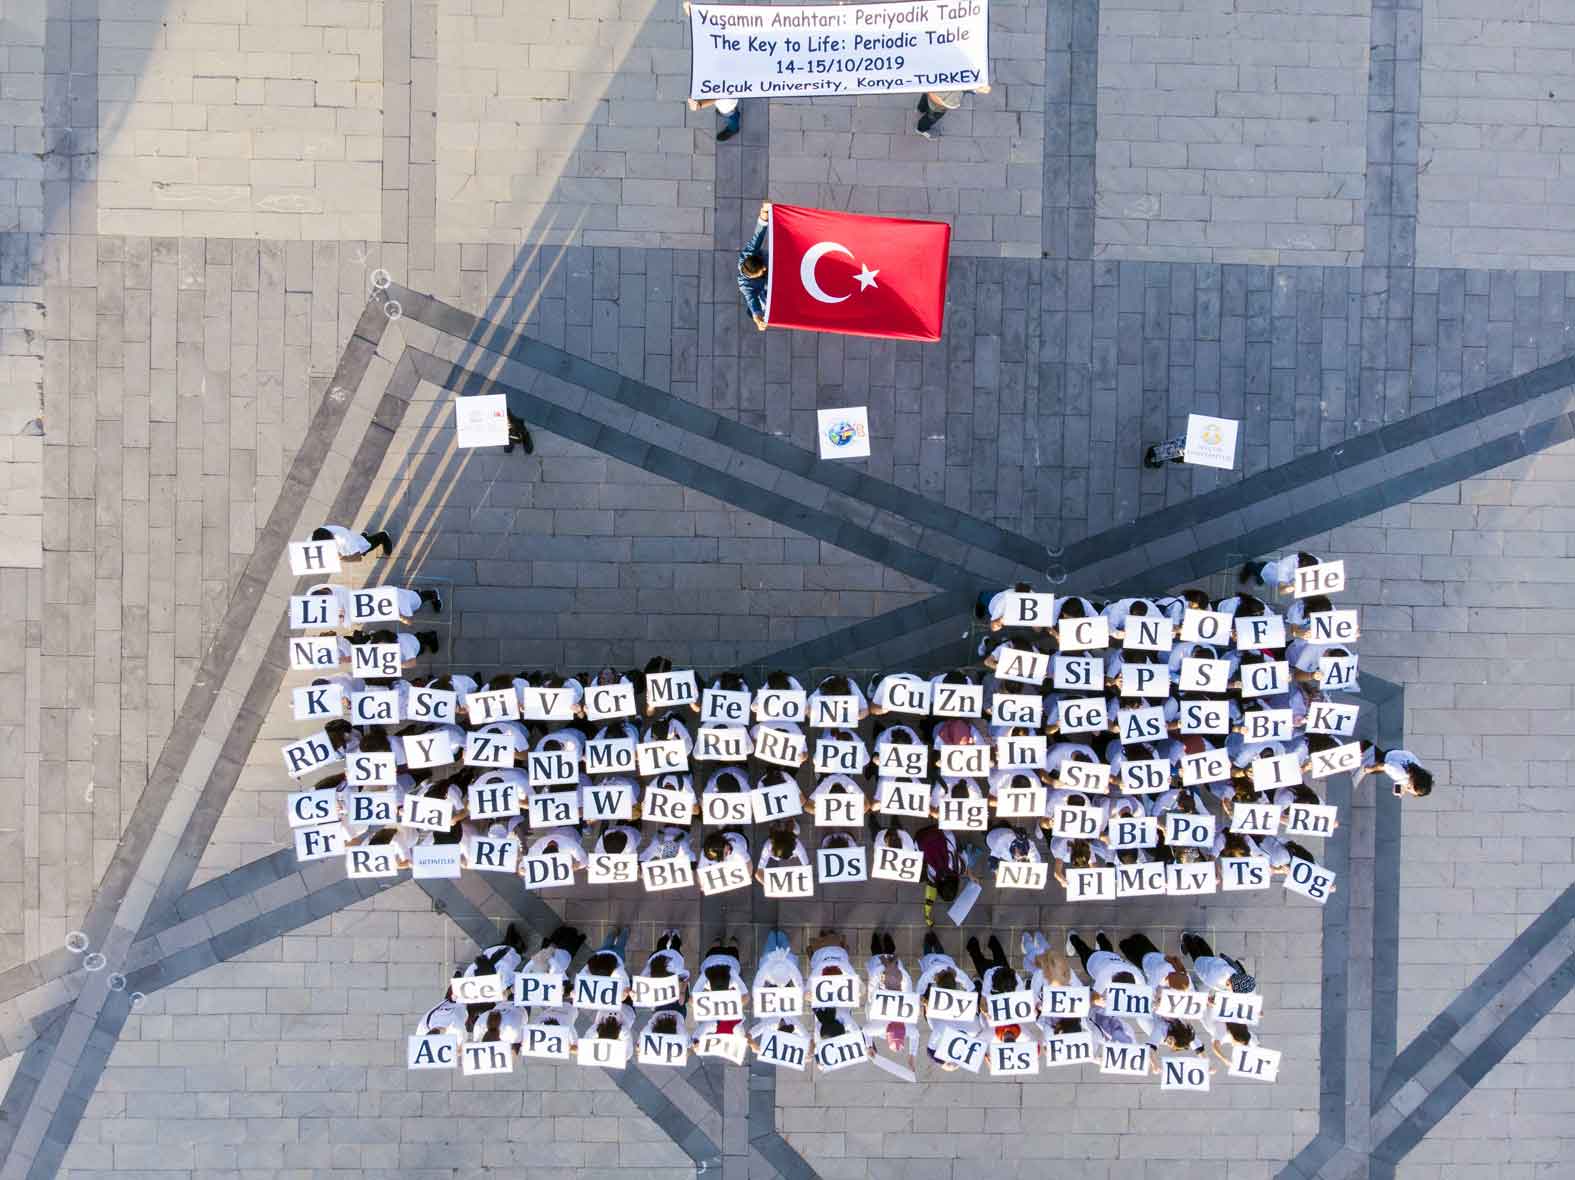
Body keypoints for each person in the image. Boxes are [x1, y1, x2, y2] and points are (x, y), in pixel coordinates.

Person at [1180, 931, 1256, 993]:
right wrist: (1198, 966)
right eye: (1231, 984)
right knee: (1195, 952)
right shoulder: (1218, 977)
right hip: (1204, 965)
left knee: (1207, 952)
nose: (1230, 986)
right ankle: (1186, 938)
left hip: (1215, 962)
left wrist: (1224, 957)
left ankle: (1198, 939)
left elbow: (1233, 964)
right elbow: (1207, 978)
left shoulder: (1237, 973)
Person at [738, 201, 771, 331]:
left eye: (762, 266)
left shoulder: (749, 253)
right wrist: (757, 319)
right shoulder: (745, 286)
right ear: (752, 276)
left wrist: (764, 211)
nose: (764, 269)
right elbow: (752, 301)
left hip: (775, 262)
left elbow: (758, 234)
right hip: (768, 286)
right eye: (761, 271)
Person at [914, 84, 989, 138]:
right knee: (930, 118)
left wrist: (976, 89)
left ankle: (920, 109)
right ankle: (921, 129)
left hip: (931, 93)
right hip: (938, 106)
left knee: (925, 101)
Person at [1356, 746, 1434, 797]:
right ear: (1413, 780)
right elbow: (1383, 766)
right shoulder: (1399, 772)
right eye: (1410, 788)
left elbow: (1404, 780)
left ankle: (1367, 750)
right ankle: (1363, 747)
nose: (1408, 789)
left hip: (1397, 754)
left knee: (1377, 761)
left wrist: (1403, 788)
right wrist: (1370, 769)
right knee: (1374, 766)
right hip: (1388, 757)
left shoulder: (1419, 769)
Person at [311, 523, 392, 559]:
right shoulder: (319, 534)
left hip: (356, 544)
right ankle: (363, 536)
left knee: (369, 545)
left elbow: (356, 557)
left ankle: (383, 536)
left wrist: (342, 558)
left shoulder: (344, 538)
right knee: (360, 540)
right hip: (351, 540)